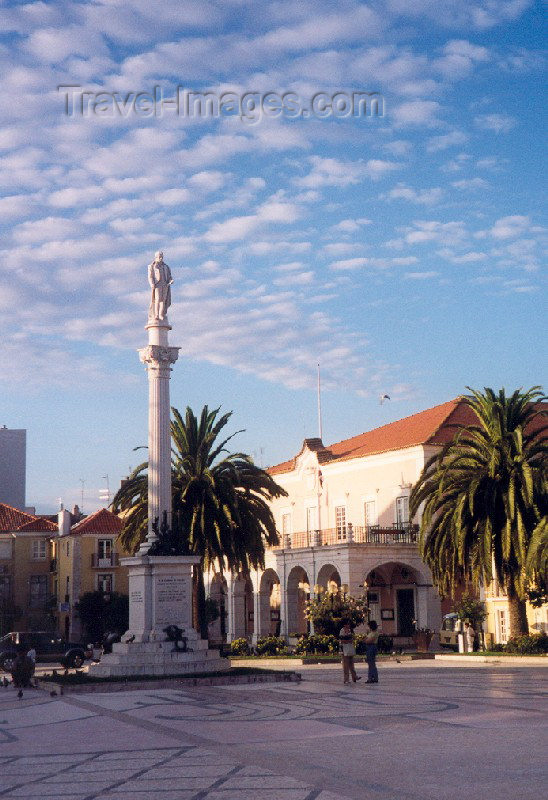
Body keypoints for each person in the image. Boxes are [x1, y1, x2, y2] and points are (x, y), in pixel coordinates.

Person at [148, 251, 173, 320]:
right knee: (157, 299)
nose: (161, 258)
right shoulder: (152, 266)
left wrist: (171, 280)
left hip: (165, 285)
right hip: (157, 285)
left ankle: (161, 314)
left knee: (163, 300)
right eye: (159, 257)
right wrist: (152, 284)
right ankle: (156, 315)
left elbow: (169, 276)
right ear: (156, 257)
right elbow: (150, 276)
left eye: (161, 256)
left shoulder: (166, 267)